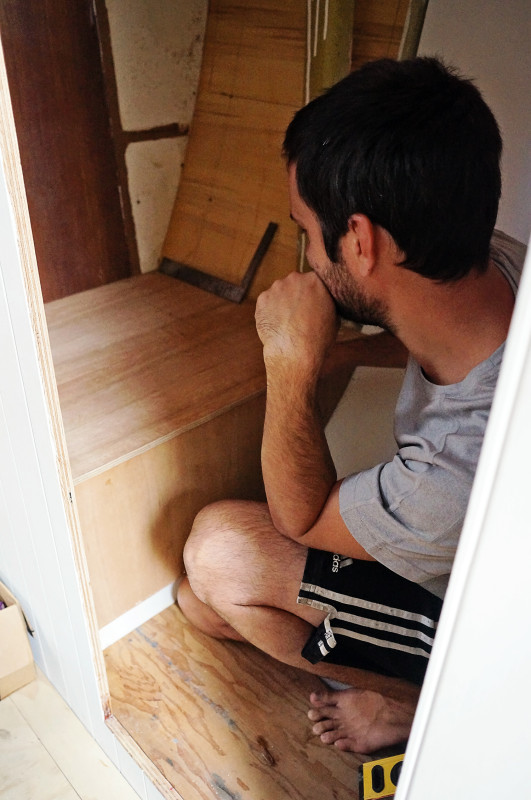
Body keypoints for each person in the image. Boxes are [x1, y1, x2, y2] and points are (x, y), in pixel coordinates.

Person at [176, 57, 526, 753]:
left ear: (360, 242)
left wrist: (290, 363)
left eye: (307, 232)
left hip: (498, 638)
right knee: (207, 605)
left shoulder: (457, 475)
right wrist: (334, 353)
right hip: (487, 567)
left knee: (214, 561)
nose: (306, 255)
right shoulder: (495, 265)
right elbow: (419, 340)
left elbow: (298, 517)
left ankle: (423, 706)